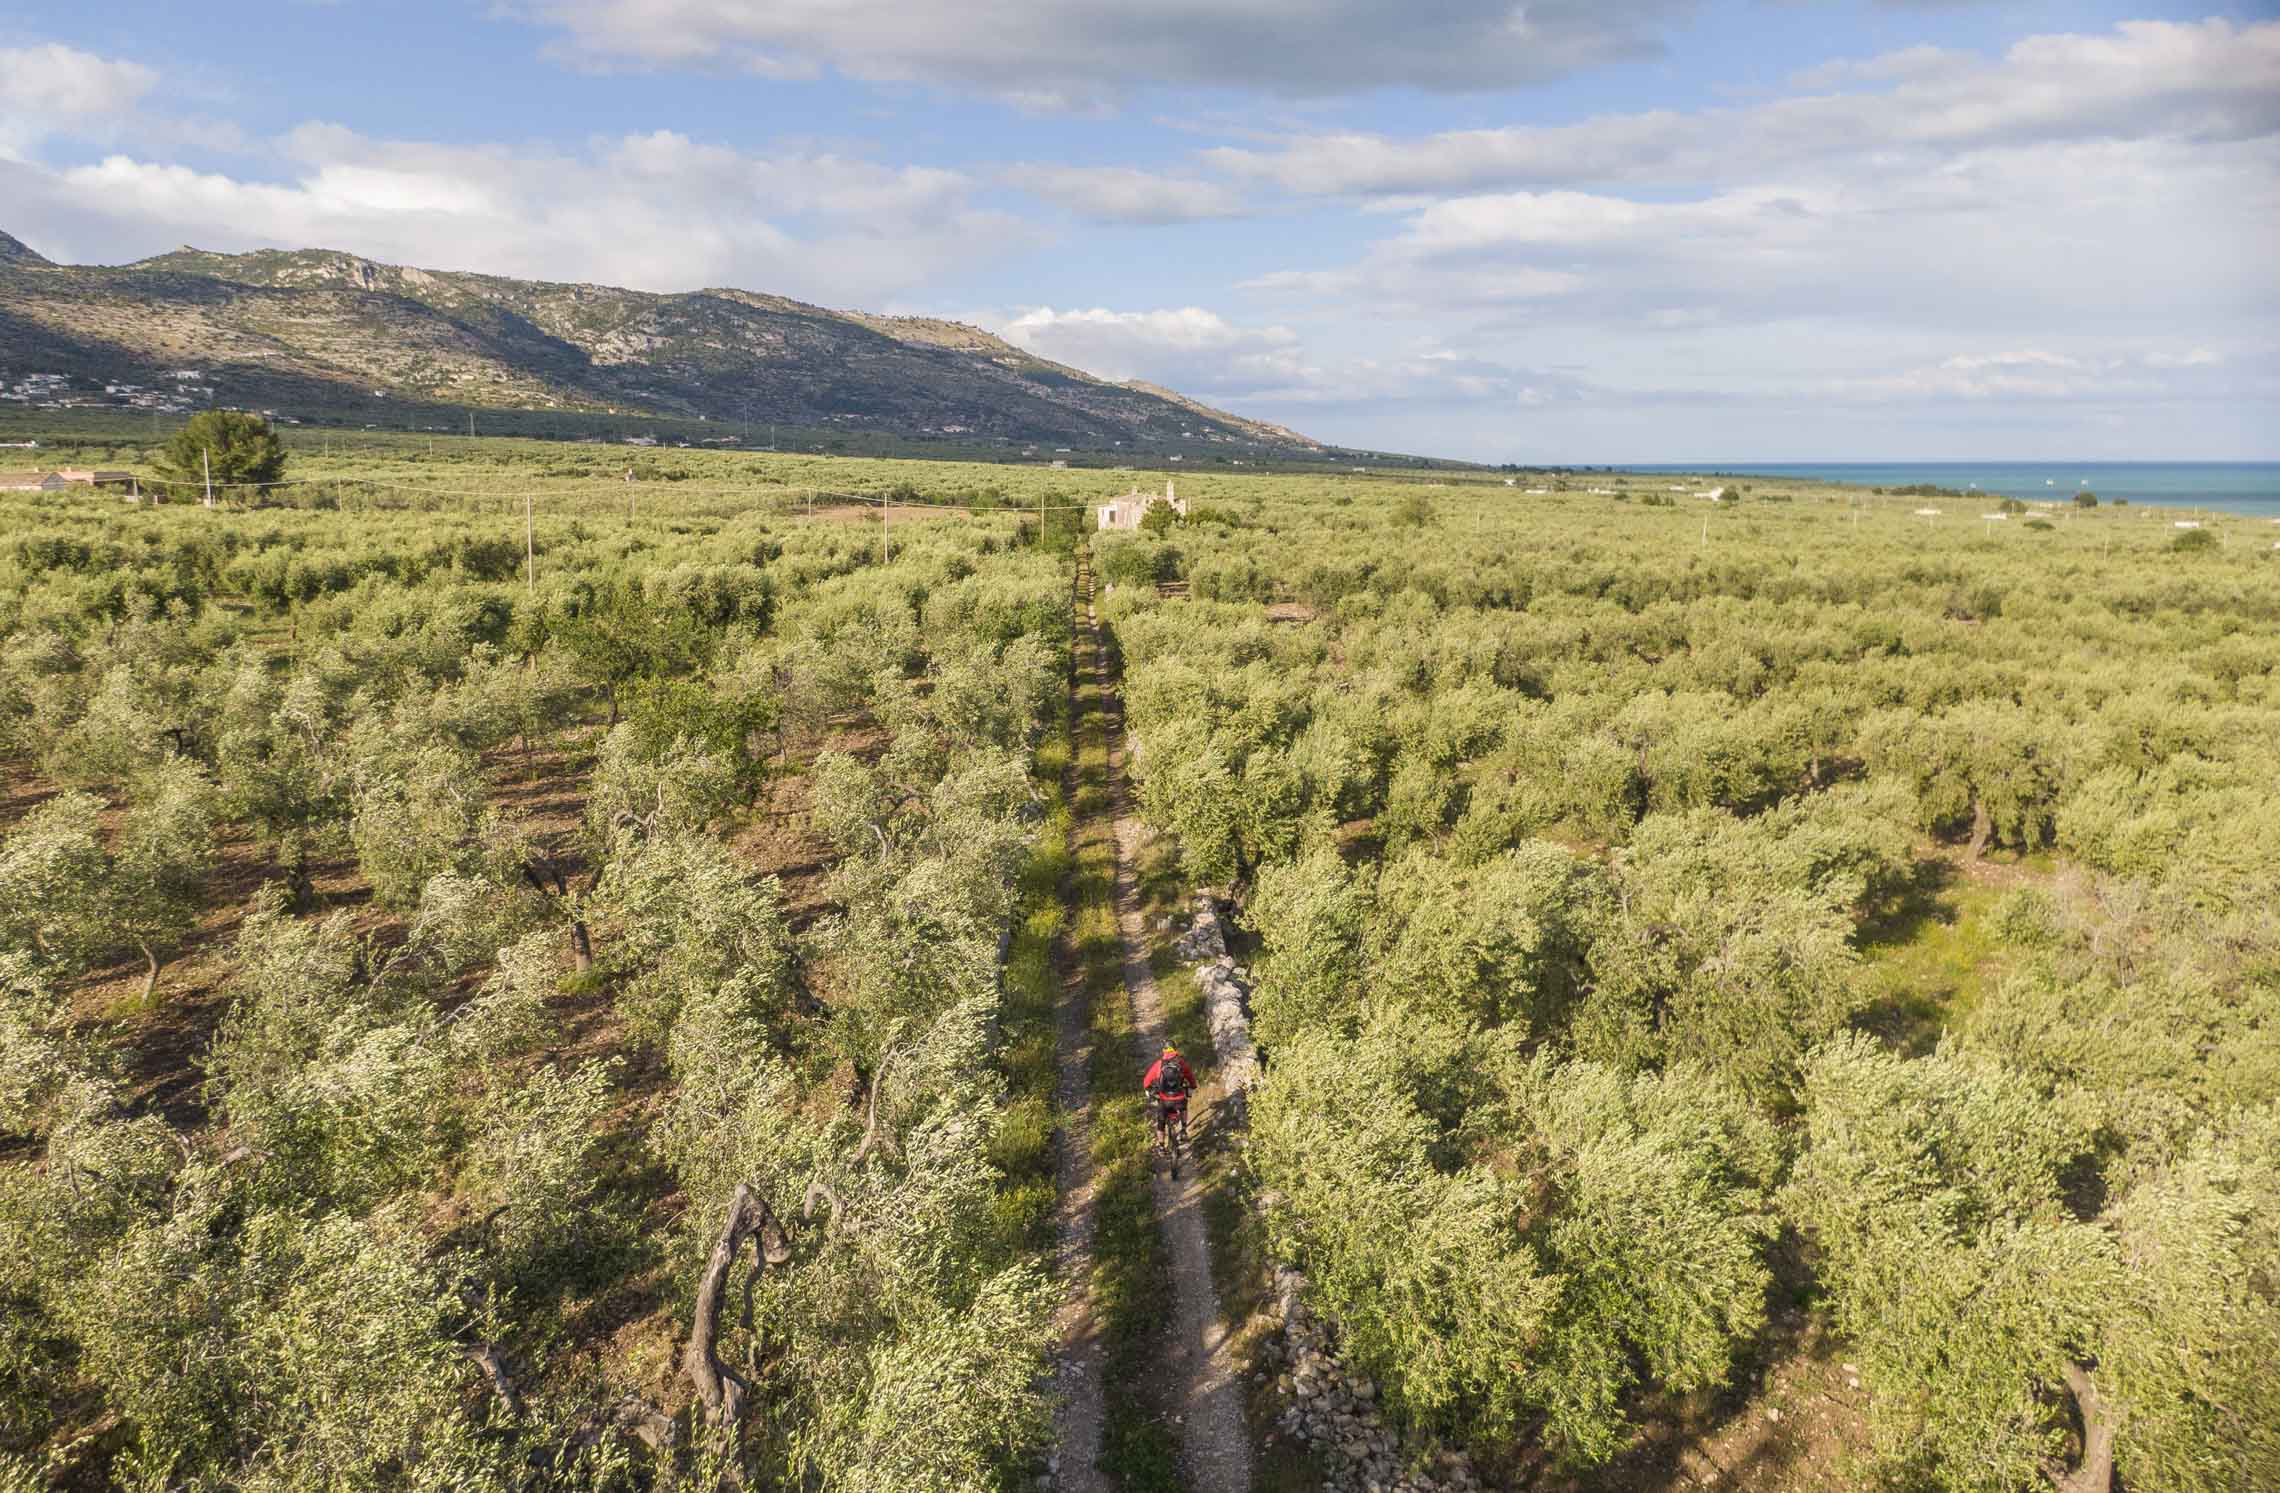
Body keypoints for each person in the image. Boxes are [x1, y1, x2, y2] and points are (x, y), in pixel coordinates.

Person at [1141, 1044, 1195, 1149]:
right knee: (1183, 1106)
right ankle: (1183, 1130)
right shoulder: (1181, 1063)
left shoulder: (1159, 1064)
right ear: (1175, 1050)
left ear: (1164, 1051)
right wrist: (1192, 1087)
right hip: (1179, 1099)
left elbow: (1146, 1082)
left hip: (1164, 1100)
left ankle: (1161, 1147)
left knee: (1161, 1122)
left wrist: (1148, 1090)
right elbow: (1191, 1077)